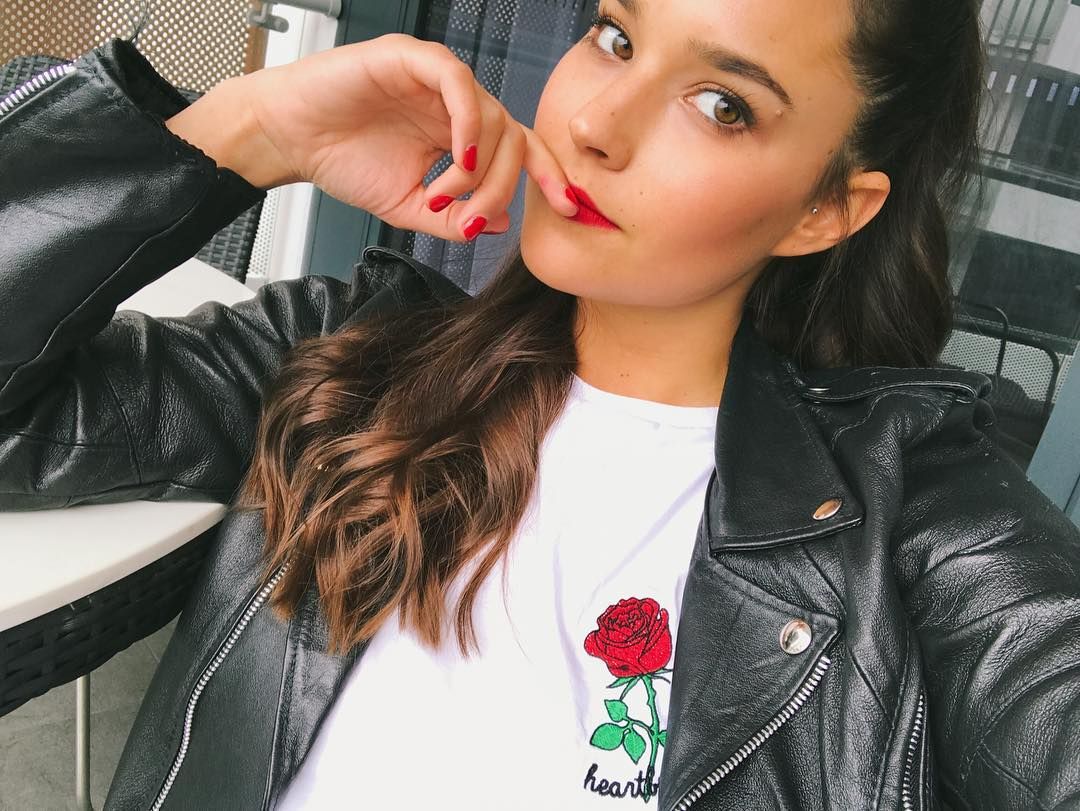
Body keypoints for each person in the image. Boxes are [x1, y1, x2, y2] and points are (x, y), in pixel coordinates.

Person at [1, 0, 1079, 808]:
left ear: (825, 210)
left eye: (722, 105)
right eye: (616, 36)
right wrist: (244, 132)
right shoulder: (355, 355)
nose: (596, 122)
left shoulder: (912, 525)